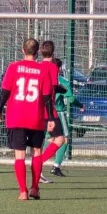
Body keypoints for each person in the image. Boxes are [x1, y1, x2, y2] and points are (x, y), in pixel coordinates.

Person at [0, 39, 55, 200]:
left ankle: (23, 191)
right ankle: (35, 188)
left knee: (19, 155)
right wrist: (50, 117)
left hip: (16, 117)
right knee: (36, 152)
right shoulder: (43, 70)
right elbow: (47, 96)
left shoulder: (13, 67)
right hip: (36, 117)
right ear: (37, 53)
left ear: (23, 50)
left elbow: (5, 91)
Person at [41, 58, 84, 180]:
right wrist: (80, 106)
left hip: (44, 114)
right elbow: (71, 99)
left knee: (50, 140)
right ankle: (55, 166)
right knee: (64, 140)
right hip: (57, 114)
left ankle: (39, 167)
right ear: (59, 68)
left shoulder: (44, 79)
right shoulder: (62, 82)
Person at [38, 41, 67, 183]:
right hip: (49, 109)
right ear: (53, 52)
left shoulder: (37, 66)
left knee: (42, 142)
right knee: (60, 139)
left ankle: (38, 172)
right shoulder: (53, 67)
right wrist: (62, 89)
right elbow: (53, 87)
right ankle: (38, 166)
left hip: (37, 108)